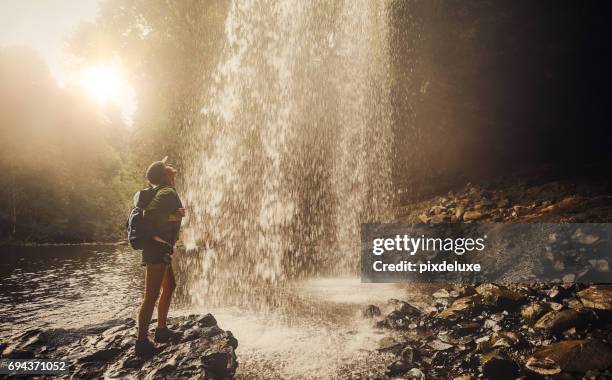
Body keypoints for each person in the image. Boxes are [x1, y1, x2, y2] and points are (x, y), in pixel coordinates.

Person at [135, 157, 185, 357]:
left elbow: (155, 213)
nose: (171, 166)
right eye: (166, 166)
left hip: (161, 248)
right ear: (164, 174)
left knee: (170, 286)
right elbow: (149, 217)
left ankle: (162, 330)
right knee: (151, 297)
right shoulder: (167, 192)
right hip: (156, 249)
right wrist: (174, 216)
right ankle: (141, 343)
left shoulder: (162, 191)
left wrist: (175, 214)